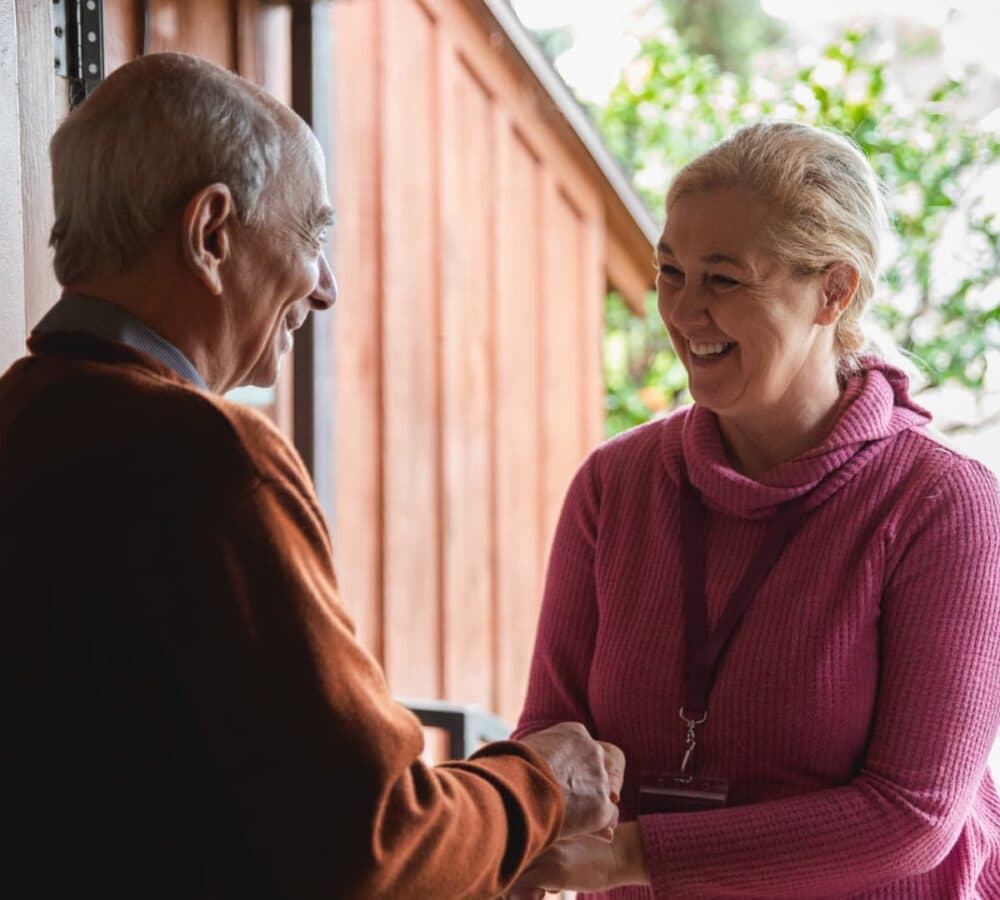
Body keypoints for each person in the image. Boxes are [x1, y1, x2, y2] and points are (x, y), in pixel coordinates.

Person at [0, 52, 624, 899]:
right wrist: (541, 786)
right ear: (212, 231)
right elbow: (377, 850)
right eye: (312, 234)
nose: (324, 287)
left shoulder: (22, 418)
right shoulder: (206, 459)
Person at [507, 122, 1000, 898]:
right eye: (671, 271)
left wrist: (633, 854)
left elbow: (914, 814)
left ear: (834, 291)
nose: (684, 312)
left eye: (724, 280)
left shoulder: (942, 503)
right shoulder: (614, 484)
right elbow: (551, 733)